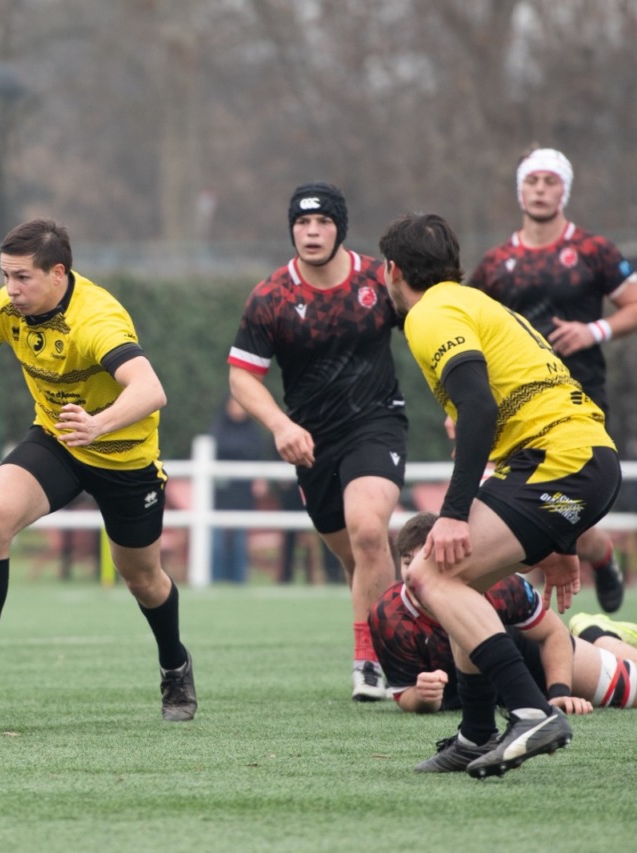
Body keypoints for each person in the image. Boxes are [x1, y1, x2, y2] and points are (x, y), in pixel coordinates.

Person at [0, 218, 197, 722]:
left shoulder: (97, 319)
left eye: (22, 277)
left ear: (58, 274)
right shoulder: (7, 309)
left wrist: (99, 425)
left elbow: (151, 390)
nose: (10, 290)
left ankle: (175, 666)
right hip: (58, 441)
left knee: (143, 578)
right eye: (5, 276)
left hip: (124, 457)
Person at [379, 211, 621, 778]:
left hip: (559, 462)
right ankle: (476, 734)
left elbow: (480, 409)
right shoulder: (475, 305)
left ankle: (532, 712)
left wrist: (454, 513)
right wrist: (556, 538)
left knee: (431, 575)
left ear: (392, 271)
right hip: (575, 460)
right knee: (462, 581)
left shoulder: (431, 312)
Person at [227, 182, 405, 701]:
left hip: (377, 424)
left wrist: (456, 403)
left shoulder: (379, 278)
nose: (311, 232)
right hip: (310, 443)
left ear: (339, 228)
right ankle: (414, 635)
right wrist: (281, 426)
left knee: (370, 531)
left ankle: (371, 661)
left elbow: (431, 333)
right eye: (302, 224)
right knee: (356, 559)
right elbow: (241, 376)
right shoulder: (271, 297)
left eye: (322, 222)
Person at [468, 147, 637, 613]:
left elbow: (634, 303)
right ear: (519, 189)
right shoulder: (497, 262)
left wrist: (593, 330)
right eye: (533, 181)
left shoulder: (591, 250)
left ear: (565, 190)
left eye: (551, 181)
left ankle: (594, 555)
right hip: (516, 405)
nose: (541, 190)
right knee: (526, 512)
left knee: (566, 508)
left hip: (579, 398)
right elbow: (469, 330)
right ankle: (583, 568)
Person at [371, 513, 637, 742]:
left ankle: (597, 633)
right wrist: (423, 697)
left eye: (422, 562)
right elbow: (404, 694)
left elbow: (553, 634)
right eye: (407, 562)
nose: (413, 574)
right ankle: (597, 636)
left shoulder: (500, 584)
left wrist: (559, 693)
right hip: (497, 695)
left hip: (535, 661)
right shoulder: (389, 615)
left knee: (631, 689)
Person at [209, 395, 268, 583]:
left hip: (243, 493)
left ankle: (238, 579)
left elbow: (256, 457)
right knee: (216, 538)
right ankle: (215, 578)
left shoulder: (253, 433)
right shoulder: (217, 430)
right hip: (220, 493)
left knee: (239, 538)